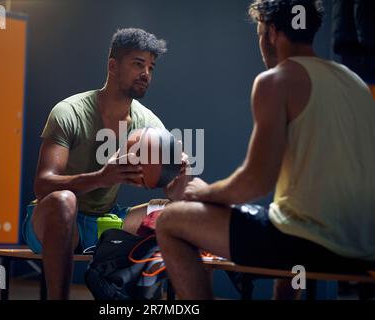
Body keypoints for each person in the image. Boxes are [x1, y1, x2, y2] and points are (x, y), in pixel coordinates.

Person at [156, 0, 375, 300]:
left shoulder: (276, 79)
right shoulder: (355, 84)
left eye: (260, 32)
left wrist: (203, 193)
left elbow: (255, 182)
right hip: (363, 248)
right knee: (280, 214)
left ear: (272, 32)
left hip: (308, 243)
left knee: (170, 221)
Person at [22, 28, 189, 299]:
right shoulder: (70, 112)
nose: (146, 73)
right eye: (138, 64)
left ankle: (146, 299)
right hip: (57, 220)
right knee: (63, 201)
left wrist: (180, 174)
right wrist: (102, 177)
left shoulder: (149, 124)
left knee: (172, 212)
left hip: (107, 220)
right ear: (113, 65)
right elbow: (43, 186)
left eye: (151, 67)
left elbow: (174, 195)